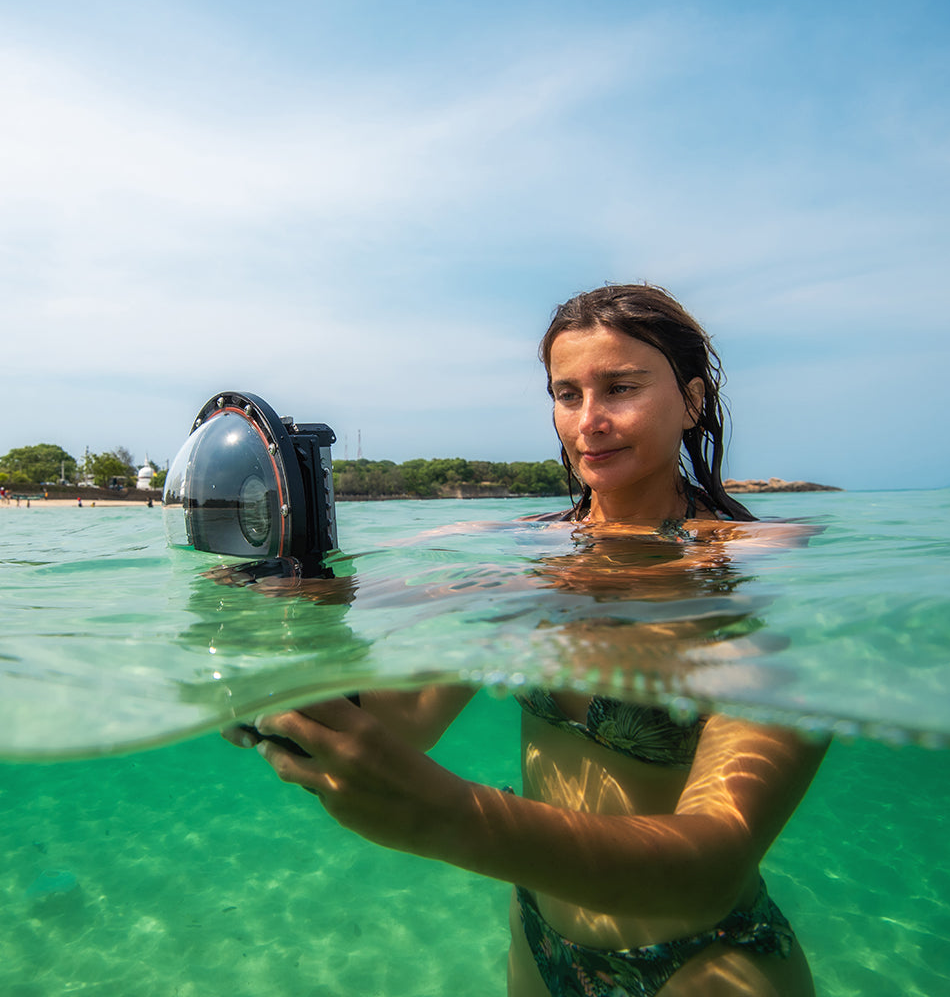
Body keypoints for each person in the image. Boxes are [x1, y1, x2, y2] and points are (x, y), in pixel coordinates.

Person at [232, 284, 828, 996]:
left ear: (692, 400)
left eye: (620, 388)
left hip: (708, 960)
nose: (590, 421)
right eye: (567, 393)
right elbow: (405, 720)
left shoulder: (764, 565)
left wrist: (448, 817)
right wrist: (282, 670)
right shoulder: (523, 559)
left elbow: (713, 865)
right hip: (541, 942)